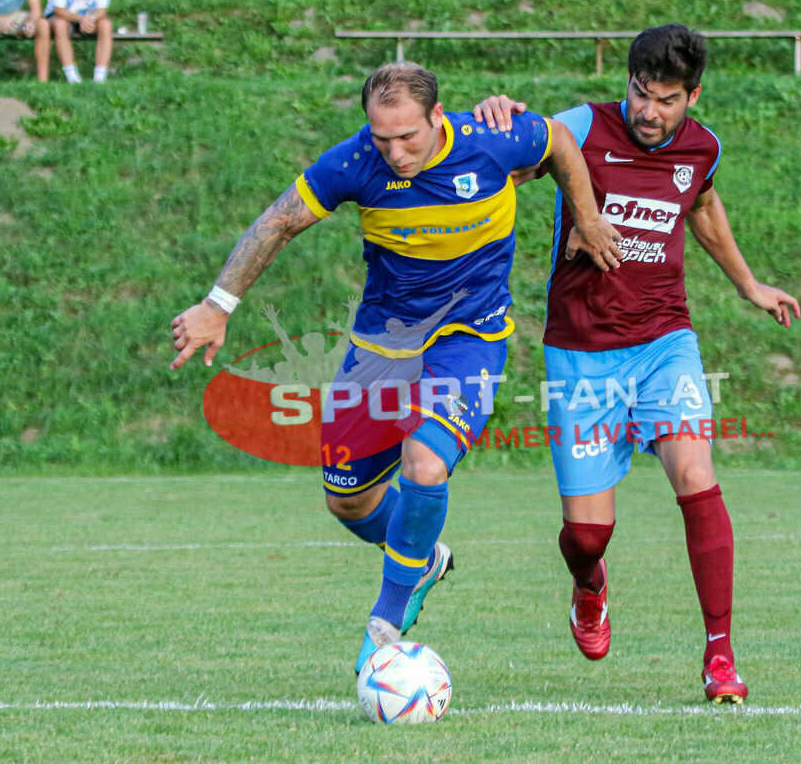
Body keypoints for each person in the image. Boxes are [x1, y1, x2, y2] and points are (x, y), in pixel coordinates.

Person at [170, 61, 620, 675]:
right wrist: (218, 304)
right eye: (382, 137)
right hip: (382, 348)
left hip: (469, 337)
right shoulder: (356, 163)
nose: (396, 151)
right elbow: (279, 221)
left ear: (438, 116)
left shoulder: (493, 139)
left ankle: (388, 615)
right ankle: (422, 558)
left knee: (426, 463)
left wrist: (587, 217)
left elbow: (561, 142)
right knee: (347, 502)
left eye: (408, 136)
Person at [475, 24, 800, 704]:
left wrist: (748, 285)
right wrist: (501, 118)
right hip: (582, 353)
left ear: (693, 96)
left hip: (663, 343)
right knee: (588, 535)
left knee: (696, 476)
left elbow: (702, 205)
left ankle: (719, 656)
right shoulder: (581, 129)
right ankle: (589, 588)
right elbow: (516, 158)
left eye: (666, 99)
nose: (648, 111)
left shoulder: (702, 147)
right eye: (639, 93)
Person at [47, 0, 112, 83]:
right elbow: (59, 11)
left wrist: (91, 19)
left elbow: (102, 10)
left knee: (105, 25)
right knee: (60, 25)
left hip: (90, 17)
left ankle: (100, 76)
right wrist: (82, 19)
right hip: (62, 17)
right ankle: (71, 75)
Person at [0, 0, 50, 81]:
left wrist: (31, 23)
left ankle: (43, 81)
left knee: (42, 25)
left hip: (14, 16)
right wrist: (1, 21)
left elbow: (36, 10)